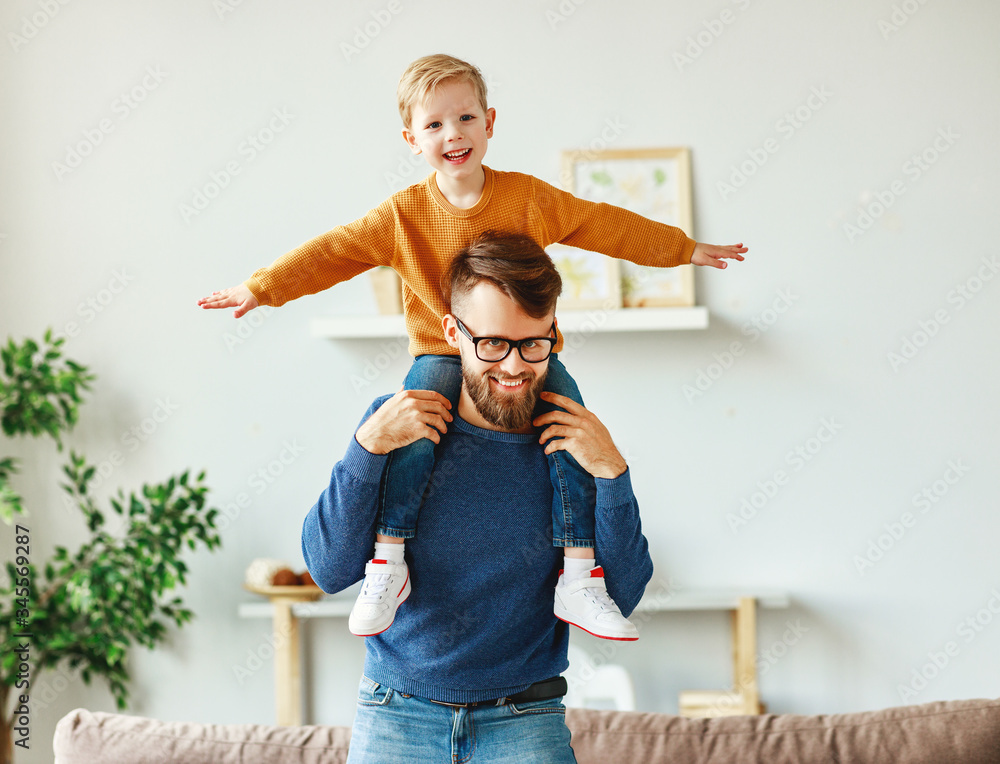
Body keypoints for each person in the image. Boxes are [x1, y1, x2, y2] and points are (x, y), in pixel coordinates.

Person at [202, 53, 745, 638]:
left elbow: (603, 223)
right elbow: (331, 251)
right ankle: (389, 559)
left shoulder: (529, 199)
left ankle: (581, 572)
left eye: (464, 118)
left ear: (490, 121)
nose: (452, 134)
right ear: (411, 139)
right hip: (440, 353)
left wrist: (684, 249)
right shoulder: (402, 215)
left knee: (571, 423)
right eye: (434, 125)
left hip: (532, 348)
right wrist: (260, 287)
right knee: (415, 424)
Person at [302, 232, 653, 762]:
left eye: (533, 344)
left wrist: (612, 472)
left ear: (554, 335)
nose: (514, 367)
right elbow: (328, 570)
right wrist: (366, 448)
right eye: (491, 343)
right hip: (396, 715)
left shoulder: (574, 443)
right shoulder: (396, 426)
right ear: (453, 333)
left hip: (526, 720)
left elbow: (621, 595)